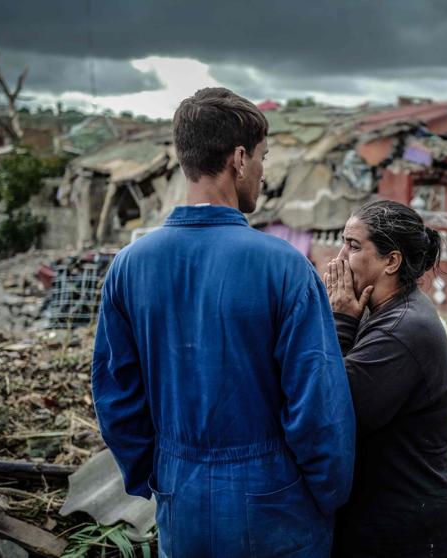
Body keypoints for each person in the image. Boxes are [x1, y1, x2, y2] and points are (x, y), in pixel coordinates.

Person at [92, 88, 355, 557]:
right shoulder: (285, 267)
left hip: (180, 498)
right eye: (261, 157)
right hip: (276, 502)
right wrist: (329, 495)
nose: (262, 172)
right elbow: (318, 408)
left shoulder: (129, 267)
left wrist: (158, 476)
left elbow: (115, 398)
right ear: (238, 158)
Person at [324, 200, 447, 557]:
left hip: (410, 531)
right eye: (343, 242)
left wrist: (340, 323)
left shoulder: (401, 330)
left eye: (354, 246)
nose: (339, 257)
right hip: (392, 519)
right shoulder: (384, 313)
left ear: (391, 261)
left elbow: (335, 413)